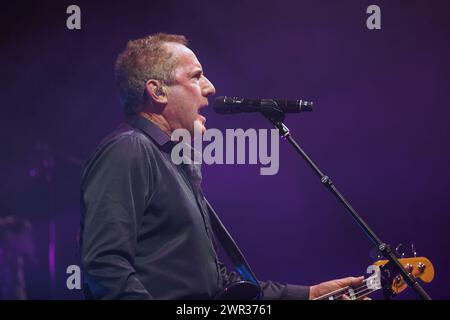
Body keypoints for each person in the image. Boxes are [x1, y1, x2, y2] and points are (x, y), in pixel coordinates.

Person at [79, 33, 365, 300]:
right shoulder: (128, 149)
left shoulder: (176, 162)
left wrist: (310, 294)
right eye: (196, 76)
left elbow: (215, 287)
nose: (210, 88)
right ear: (158, 91)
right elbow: (105, 265)